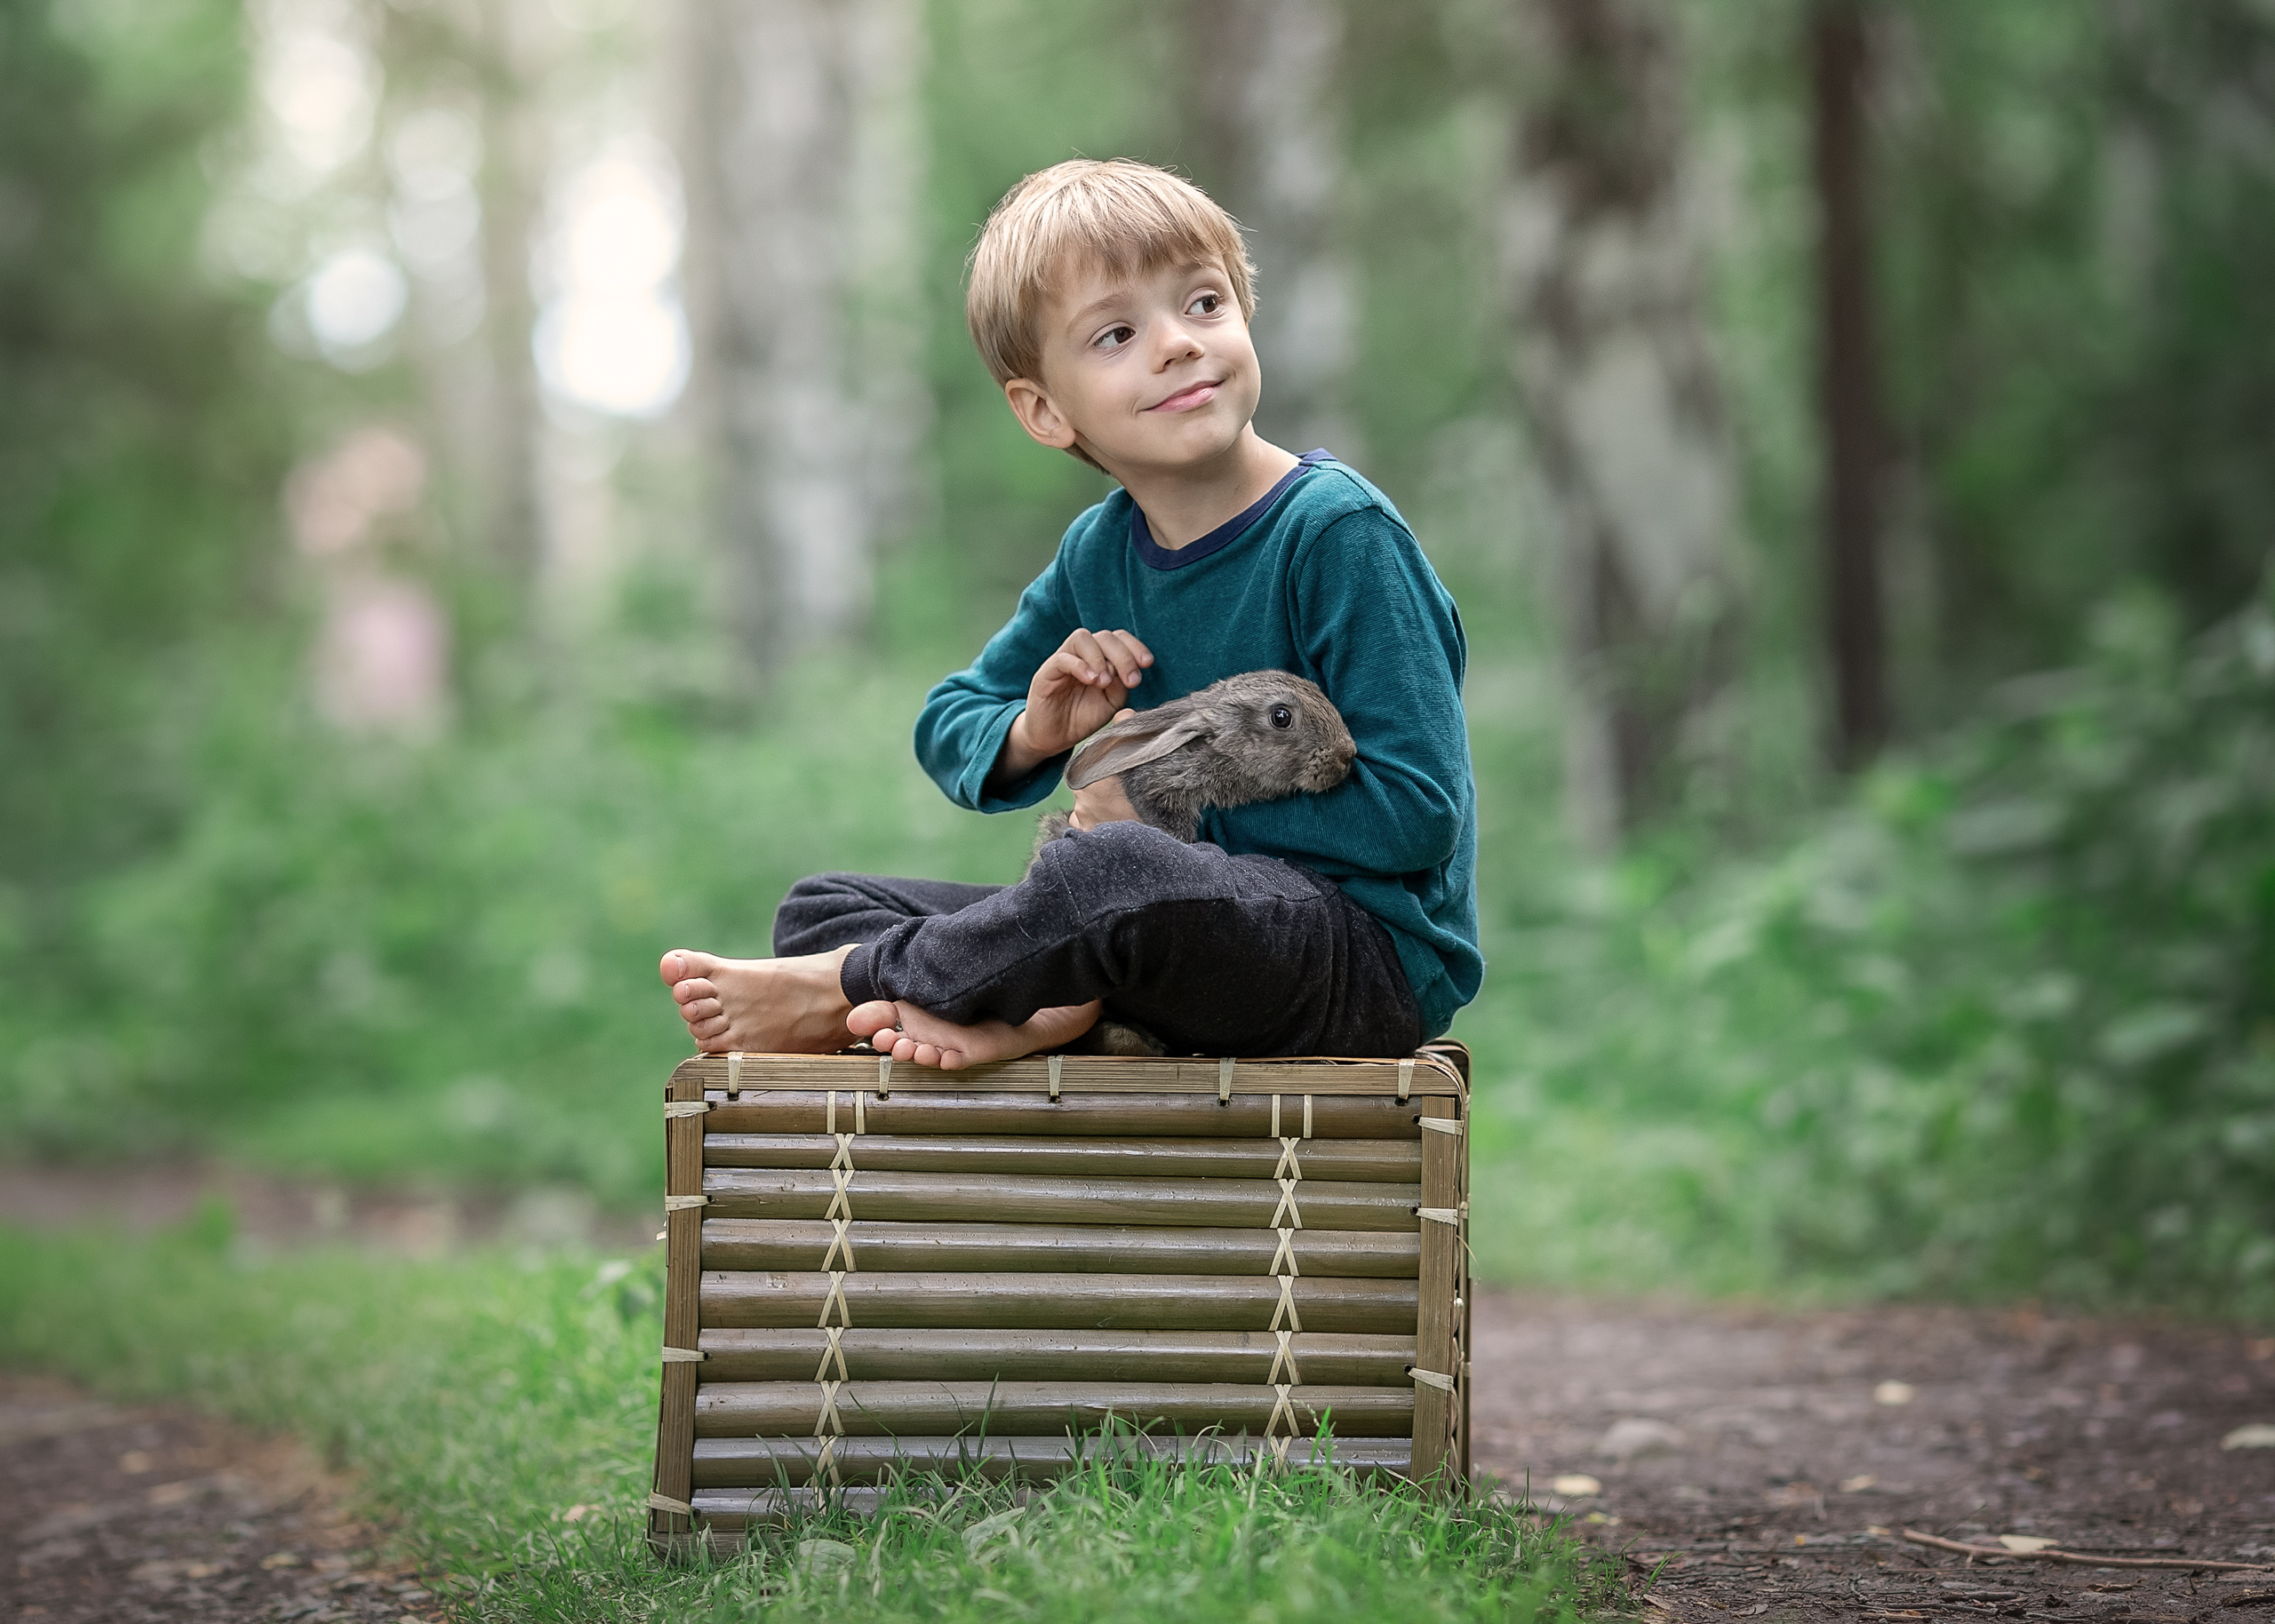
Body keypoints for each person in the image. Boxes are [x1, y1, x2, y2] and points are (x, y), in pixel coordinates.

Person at [660, 158, 1479, 1069]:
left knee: (1108, 873)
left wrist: (1158, 814)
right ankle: (1060, 1010)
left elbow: (1417, 813)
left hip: (1352, 962)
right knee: (823, 905)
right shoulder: (1100, 553)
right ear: (1046, 411)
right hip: (1153, 927)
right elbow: (950, 723)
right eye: (1117, 333)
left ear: (1246, 316)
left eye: (1203, 303)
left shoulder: (1337, 534)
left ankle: (854, 985)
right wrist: (1033, 732)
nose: (1177, 343)